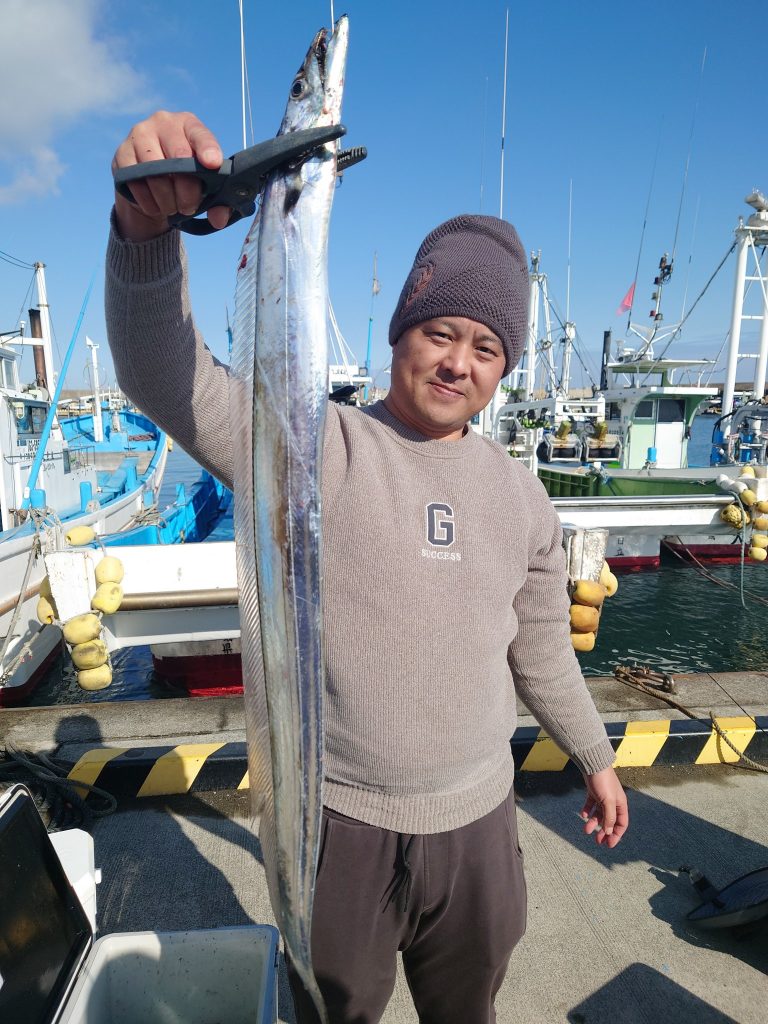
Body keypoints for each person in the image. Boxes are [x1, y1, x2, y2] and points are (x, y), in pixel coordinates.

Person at [107, 112, 629, 1024]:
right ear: (399, 335)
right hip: (337, 822)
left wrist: (596, 757)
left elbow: (542, 648)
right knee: (333, 1010)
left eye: (487, 348)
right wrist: (144, 233)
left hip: (479, 824)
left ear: (505, 367)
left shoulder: (521, 495)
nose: (458, 364)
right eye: (441, 332)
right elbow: (164, 375)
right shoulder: (308, 446)